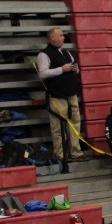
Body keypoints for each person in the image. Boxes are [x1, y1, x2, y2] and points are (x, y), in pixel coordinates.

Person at [36, 27, 85, 161]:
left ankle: (75, 152)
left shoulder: (66, 52)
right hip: (57, 96)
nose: (63, 37)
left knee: (75, 123)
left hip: (71, 94)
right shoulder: (43, 55)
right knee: (58, 127)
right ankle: (60, 154)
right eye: (60, 35)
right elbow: (43, 73)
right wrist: (62, 69)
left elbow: (75, 69)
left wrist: (75, 69)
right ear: (52, 38)